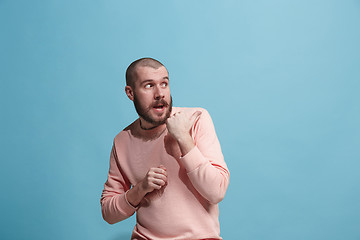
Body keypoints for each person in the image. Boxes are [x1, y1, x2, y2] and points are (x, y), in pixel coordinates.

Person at [100, 57, 230, 240]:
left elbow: (216, 192)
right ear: (130, 93)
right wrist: (140, 189)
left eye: (164, 83)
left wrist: (184, 139)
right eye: (148, 85)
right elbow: (108, 213)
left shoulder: (195, 119)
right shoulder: (122, 141)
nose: (160, 93)